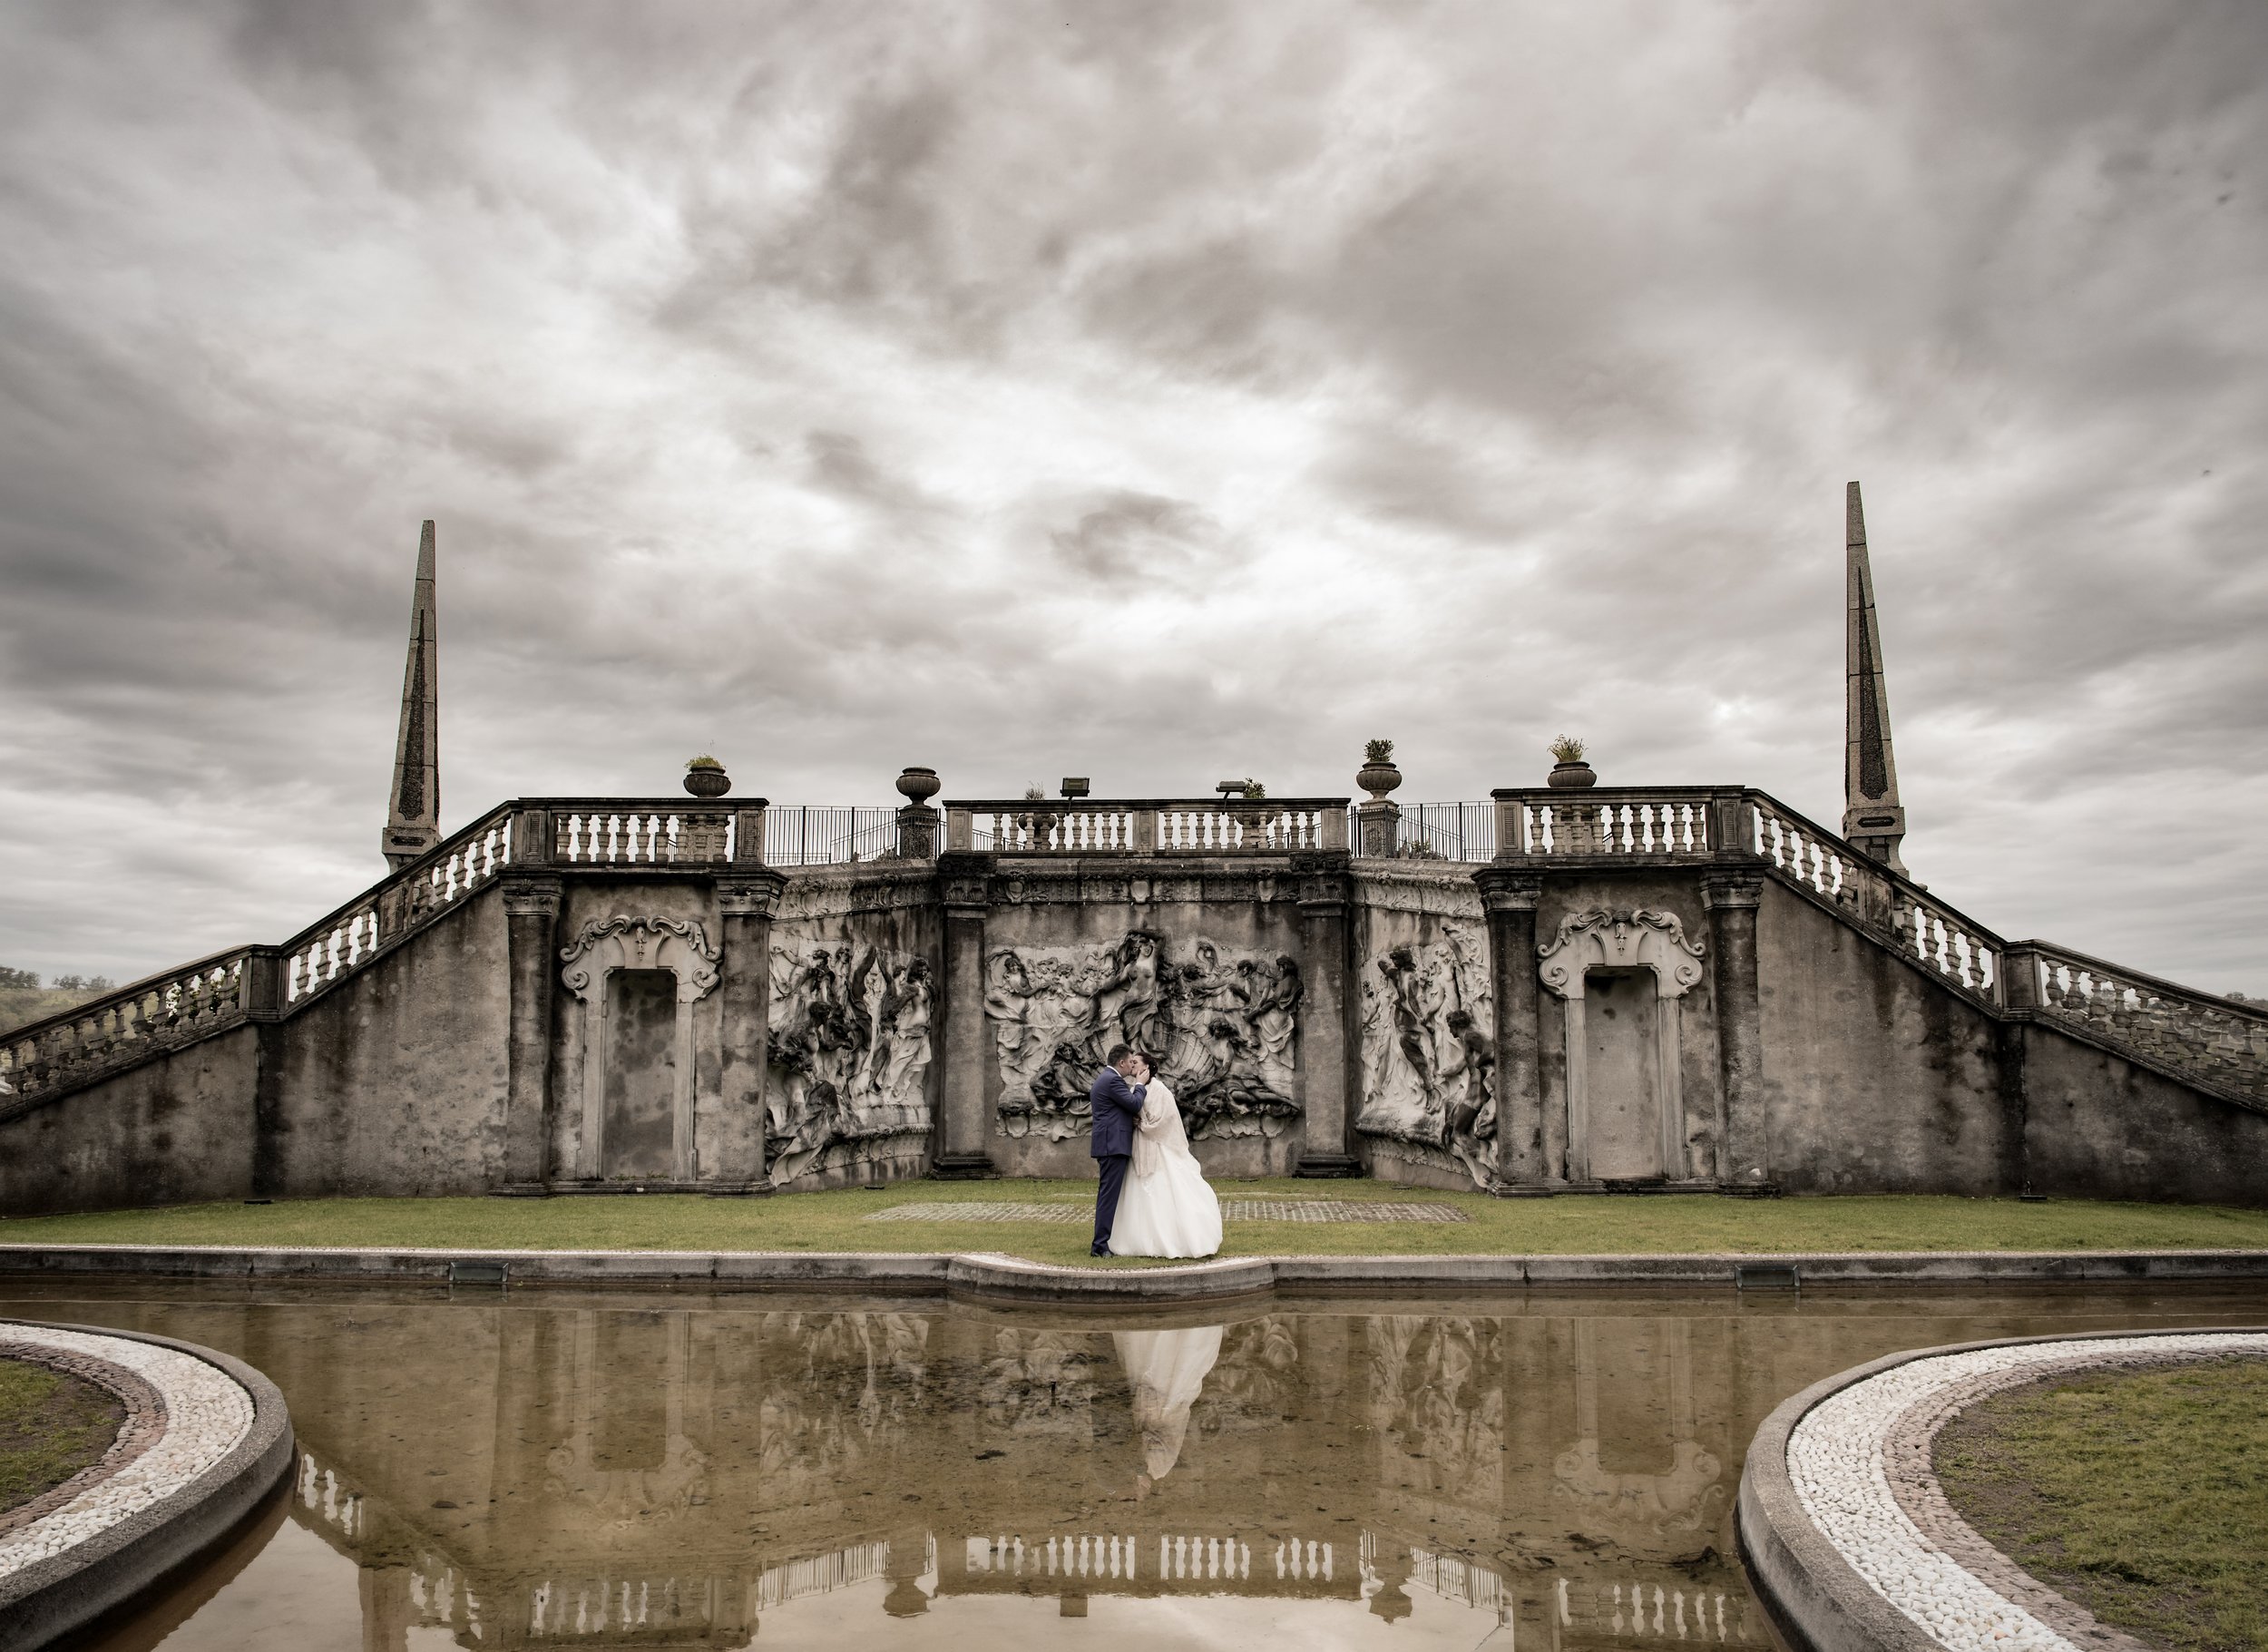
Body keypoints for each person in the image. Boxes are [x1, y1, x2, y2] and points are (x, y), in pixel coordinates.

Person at [1109, 1051, 1224, 1258]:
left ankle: (1172, 1239)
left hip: (1158, 1146)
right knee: (1139, 1193)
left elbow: (1166, 1119)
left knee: (1164, 1189)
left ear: (1146, 1068)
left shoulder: (1160, 1089)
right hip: (1140, 1146)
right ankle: (1142, 1239)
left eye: (1135, 1062)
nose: (1132, 1065)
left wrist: (1142, 1124)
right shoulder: (1136, 1088)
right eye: (1131, 1062)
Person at [1088, 1043, 1148, 1257]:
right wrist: (1140, 1084)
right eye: (1131, 1062)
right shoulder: (1113, 1080)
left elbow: (1114, 1111)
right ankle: (1100, 1246)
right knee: (1108, 1196)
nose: (1132, 1066)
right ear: (1121, 1062)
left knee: (1108, 1195)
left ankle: (1103, 1242)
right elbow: (1133, 1103)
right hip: (1112, 1145)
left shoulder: (1106, 1079)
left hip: (1110, 1143)